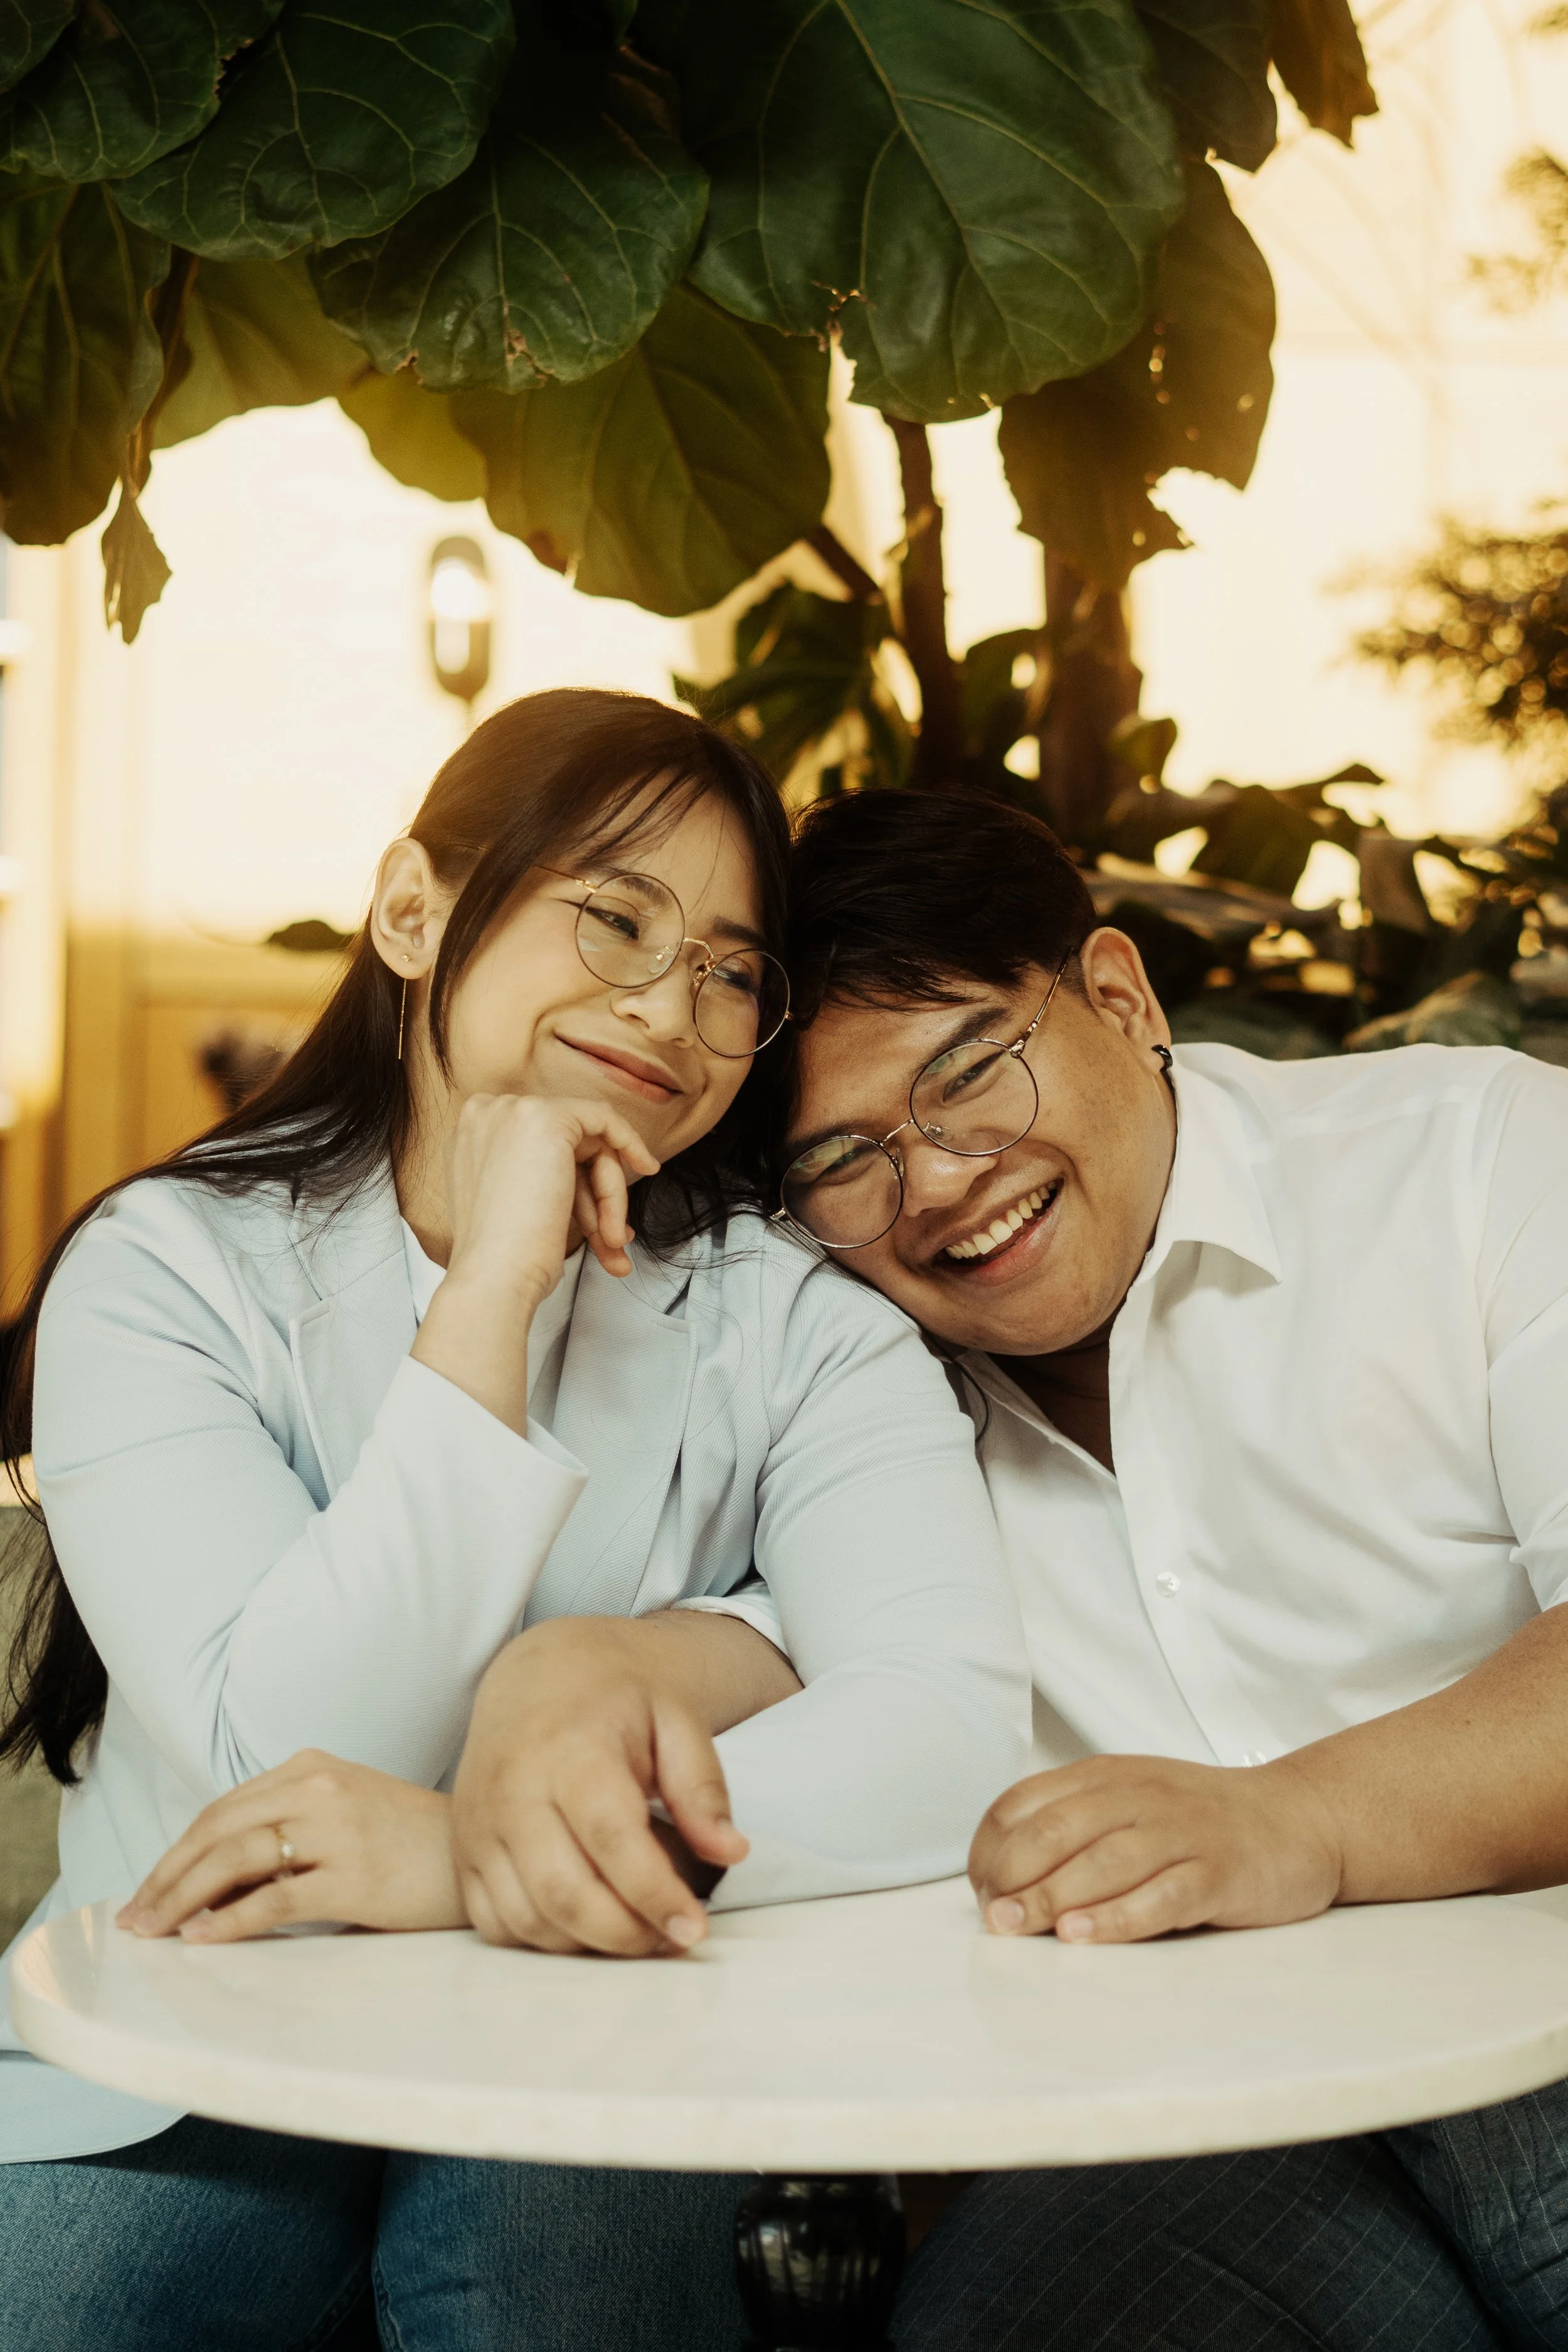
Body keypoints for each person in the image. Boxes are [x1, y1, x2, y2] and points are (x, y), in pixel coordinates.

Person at [0, 697, 1029, 2352]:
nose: (667, 1007)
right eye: (614, 916)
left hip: (597, 2026)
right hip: (184, 2056)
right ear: (414, 909)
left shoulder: (800, 1318)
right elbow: (294, 1748)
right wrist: (493, 1282)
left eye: (727, 970)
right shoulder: (165, 1268)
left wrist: (470, 1857)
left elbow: (948, 1727)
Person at [773, 783, 1568, 2352]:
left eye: (968, 1071)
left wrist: (1296, 1822)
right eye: (844, 1157)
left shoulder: (1476, 1163)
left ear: (1119, 999)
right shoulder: (840, 1394)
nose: (931, 1182)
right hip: (1190, 2126)